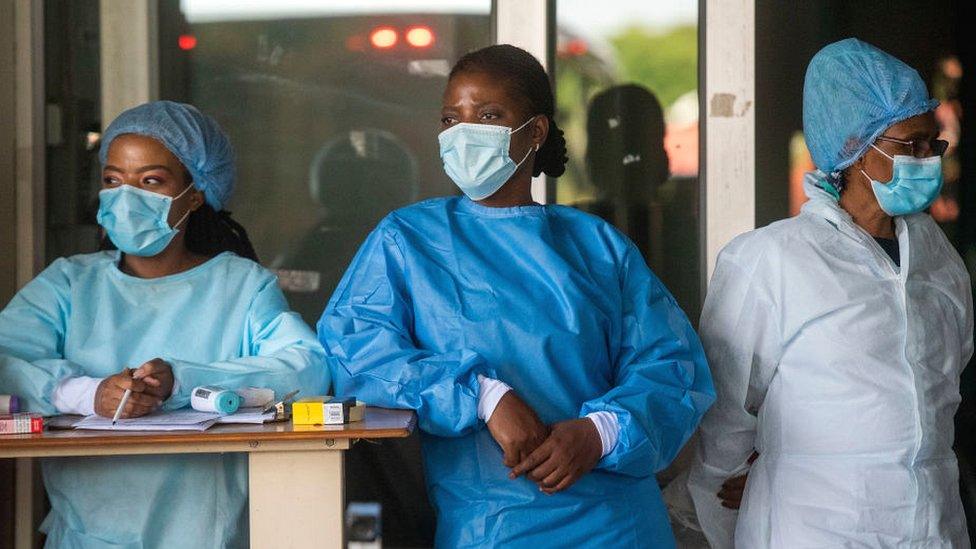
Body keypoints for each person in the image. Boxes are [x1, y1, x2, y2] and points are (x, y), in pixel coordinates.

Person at [318, 44, 714, 548]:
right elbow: (355, 351)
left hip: (617, 526)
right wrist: (483, 395)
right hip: (493, 526)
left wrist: (601, 433)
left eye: (488, 115)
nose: (464, 133)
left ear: (536, 131)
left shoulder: (596, 246)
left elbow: (672, 367)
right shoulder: (409, 241)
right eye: (450, 118)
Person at [0, 100, 329, 547]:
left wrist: (185, 381)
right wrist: (85, 393)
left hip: (206, 535)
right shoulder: (69, 283)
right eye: (112, 180)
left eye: (150, 181)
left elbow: (306, 369)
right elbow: (6, 357)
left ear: (195, 194)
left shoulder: (240, 285)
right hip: (87, 534)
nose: (125, 195)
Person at [688, 38, 973, 547]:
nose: (927, 158)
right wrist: (733, 502)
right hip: (815, 526)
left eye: (934, 143)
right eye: (911, 145)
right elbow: (724, 414)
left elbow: (946, 383)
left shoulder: (940, 260)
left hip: (933, 527)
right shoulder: (771, 259)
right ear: (854, 148)